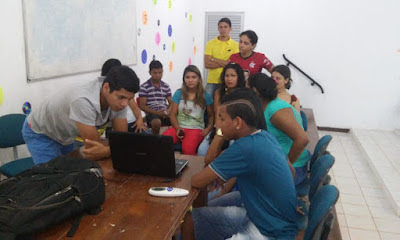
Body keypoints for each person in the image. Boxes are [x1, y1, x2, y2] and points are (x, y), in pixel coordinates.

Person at [181, 88, 298, 240]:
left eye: (221, 119)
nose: (217, 124)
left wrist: (219, 134)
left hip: (268, 233)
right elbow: (291, 172)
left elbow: (197, 181)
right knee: (193, 219)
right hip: (275, 223)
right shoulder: (265, 136)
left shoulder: (245, 147)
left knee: (190, 218)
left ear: (237, 122)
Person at [22, 65, 140, 164]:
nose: (125, 104)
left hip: (65, 134)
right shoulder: (83, 100)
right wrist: (110, 150)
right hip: (41, 132)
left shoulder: (120, 100)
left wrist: (108, 149)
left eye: (129, 99)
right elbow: (94, 148)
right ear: (106, 88)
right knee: (52, 177)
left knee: (70, 171)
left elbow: (121, 139)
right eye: (121, 97)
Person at [248, 73, 309, 185]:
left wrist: (285, 167)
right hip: (274, 162)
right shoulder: (266, 105)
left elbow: (303, 139)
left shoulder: (276, 111)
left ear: (255, 91)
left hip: (294, 168)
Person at [162, 65, 214, 155]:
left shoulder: (205, 95)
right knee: (162, 141)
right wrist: (177, 128)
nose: (190, 80)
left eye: (194, 77)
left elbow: (211, 115)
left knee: (187, 149)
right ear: (184, 79)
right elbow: (172, 114)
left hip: (196, 129)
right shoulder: (179, 93)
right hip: (179, 127)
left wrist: (209, 128)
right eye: (187, 77)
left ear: (199, 79)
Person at [197, 63, 245, 156]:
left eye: (233, 76)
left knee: (231, 152)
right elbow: (218, 114)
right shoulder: (218, 93)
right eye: (227, 75)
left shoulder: (244, 94)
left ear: (239, 77)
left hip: (237, 131)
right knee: (202, 151)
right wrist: (218, 133)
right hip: (219, 129)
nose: (229, 79)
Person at [100, 59, 147, 133]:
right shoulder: (103, 97)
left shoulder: (127, 94)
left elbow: (135, 108)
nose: (124, 104)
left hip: (132, 123)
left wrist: (139, 120)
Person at [204, 18, 239, 98]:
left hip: (228, 81)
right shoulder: (210, 43)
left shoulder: (235, 45)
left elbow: (232, 65)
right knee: (207, 104)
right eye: (221, 27)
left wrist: (214, 59)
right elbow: (207, 64)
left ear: (230, 29)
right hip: (212, 81)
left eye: (225, 27)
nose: (223, 29)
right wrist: (225, 63)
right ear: (218, 28)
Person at [138, 60, 172, 134]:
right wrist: (156, 113)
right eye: (155, 73)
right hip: (151, 114)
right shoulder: (144, 87)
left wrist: (168, 111)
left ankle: (172, 140)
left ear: (162, 72)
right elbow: (142, 106)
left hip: (164, 113)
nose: (157, 75)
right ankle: (155, 141)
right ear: (150, 72)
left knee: (177, 119)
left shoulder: (166, 86)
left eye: (160, 72)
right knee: (156, 122)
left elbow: (171, 102)